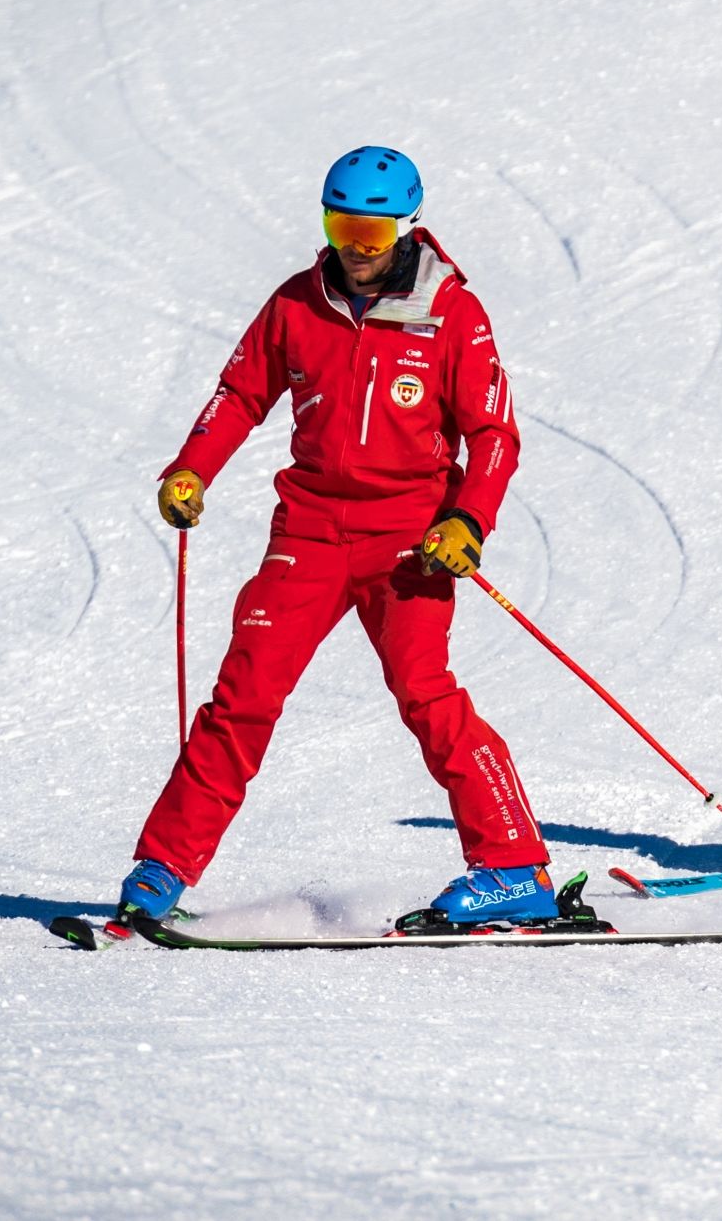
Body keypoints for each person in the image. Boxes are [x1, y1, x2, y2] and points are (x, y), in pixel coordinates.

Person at [114, 146, 555, 926]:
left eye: (373, 231)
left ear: (407, 229)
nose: (355, 246)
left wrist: (467, 519)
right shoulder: (297, 304)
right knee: (243, 694)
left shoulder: (452, 313)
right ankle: (162, 868)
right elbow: (241, 391)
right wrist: (192, 470)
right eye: (341, 224)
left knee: (425, 692)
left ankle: (515, 868)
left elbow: (494, 433)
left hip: (412, 539)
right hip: (311, 532)